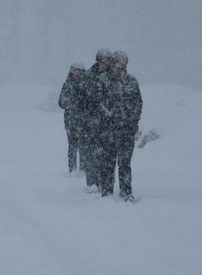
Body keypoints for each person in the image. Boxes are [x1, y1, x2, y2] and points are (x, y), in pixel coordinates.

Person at [95, 51, 143, 201]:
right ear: (112, 64)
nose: (119, 69)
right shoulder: (102, 81)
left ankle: (126, 192)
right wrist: (108, 117)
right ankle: (107, 193)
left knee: (125, 163)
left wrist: (132, 121)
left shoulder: (132, 82)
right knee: (108, 163)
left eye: (122, 66)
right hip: (107, 131)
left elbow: (138, 104)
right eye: (117, 65)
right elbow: (97, 104)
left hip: (127, 131)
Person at [81, 48, 112, 192]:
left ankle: (103, 181)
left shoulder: (111, 76)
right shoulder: (88, 75)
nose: (104, 62)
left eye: (106, 60)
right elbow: (83, 98)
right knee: (90, 153)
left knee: (105, 154)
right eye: (102, 60)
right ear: (98, 60)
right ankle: (92, 183)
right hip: (90, 120)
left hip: (106, 121)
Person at [58, 63, 87, 174]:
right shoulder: (67, 85)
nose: (77, 73)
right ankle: (73, 169)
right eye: (75, 71)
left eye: (79, 71)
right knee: (72, 145)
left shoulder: (87, 85)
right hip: (70, 121)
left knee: (83, 146)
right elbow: (61, 102)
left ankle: (84, 169)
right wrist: (71, 104)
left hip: (84, 121)